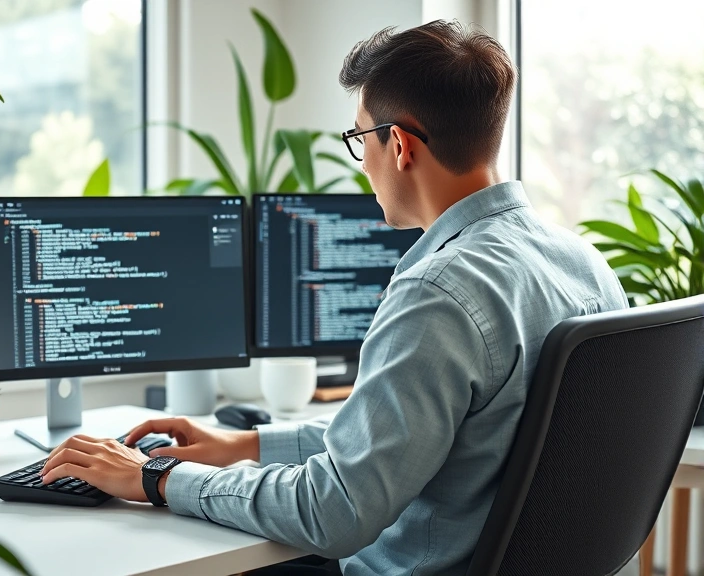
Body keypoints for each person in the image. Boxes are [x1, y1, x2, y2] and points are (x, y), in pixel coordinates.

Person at [39, 19, 627, 575]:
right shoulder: (584, 264)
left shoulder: (439, 294)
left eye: (358, 137)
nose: (361, 162)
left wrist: (156, 478)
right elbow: (405, 438)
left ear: (398, 144)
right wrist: (243, 445)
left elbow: (334, 512)